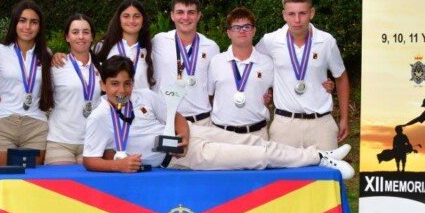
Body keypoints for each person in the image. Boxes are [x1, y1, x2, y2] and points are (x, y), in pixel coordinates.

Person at [82, 56, 354, 178]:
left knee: (253, 143)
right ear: (104, 85)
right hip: (179, 159)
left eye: (126, 83)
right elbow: (90, 160)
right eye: (115, 84)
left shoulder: (142, 96)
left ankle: (319, 155)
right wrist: (119, 166)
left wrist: (184, 137)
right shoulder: (99, 117)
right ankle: (319, 159)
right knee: (255, 158)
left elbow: (175, 115)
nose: (122, 90)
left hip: (190, 135)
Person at [255, 0, 350, 151]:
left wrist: (344, 118)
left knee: (326, 176)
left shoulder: (326, 41)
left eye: (302, 13)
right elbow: (253, 65)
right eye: (291, 14)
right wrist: (265, 90)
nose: (297, 20)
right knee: (284, 177)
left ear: (311, 13)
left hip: (321, 124)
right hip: (285, 125)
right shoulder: (270, 41)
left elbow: (341, 77)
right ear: (284, 15)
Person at [0, 0, 54, 166]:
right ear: (15, 23)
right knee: (2, 181)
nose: (27, 27)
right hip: (3, 123)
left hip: (35, 125)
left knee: (32, 184)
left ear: (39, 27)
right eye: (22, 21)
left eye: (34, 22)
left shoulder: (46, 54)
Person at [151, 0, 219, 125]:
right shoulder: (158, 41)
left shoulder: (212, 47)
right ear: (172, 16)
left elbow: (218, 85)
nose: (185, 17)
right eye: (180, 12)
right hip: (165, 121)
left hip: (200, 121)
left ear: (199, 16)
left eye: (191, 12)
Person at [207, 7, 275, 139]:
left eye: (247, 27)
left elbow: (281, 90)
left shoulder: (267, 63)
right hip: (222, 135)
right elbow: (210, 95)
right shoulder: (216, 61)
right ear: (228, 33)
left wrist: (269, 96)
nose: (242, 31)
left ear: (254, 31)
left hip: (257, 134)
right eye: (236, 27)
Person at [44, 14, 103, 165]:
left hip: (92, 143)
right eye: (75, 32)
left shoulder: (102, 69)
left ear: (92, 37)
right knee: (61, 189)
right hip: (59, 142)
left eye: (86, 32)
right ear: (67, 37)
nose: (81, 36)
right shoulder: (56, 65)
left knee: (90, 189)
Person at [93, 0, 155, 90]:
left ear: (143, 21)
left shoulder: (151, 49)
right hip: (114, 103)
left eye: (136, 16)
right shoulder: (103, 46)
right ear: (119, 20)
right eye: (126, 16)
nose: (131, 21)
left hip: (143, 104)